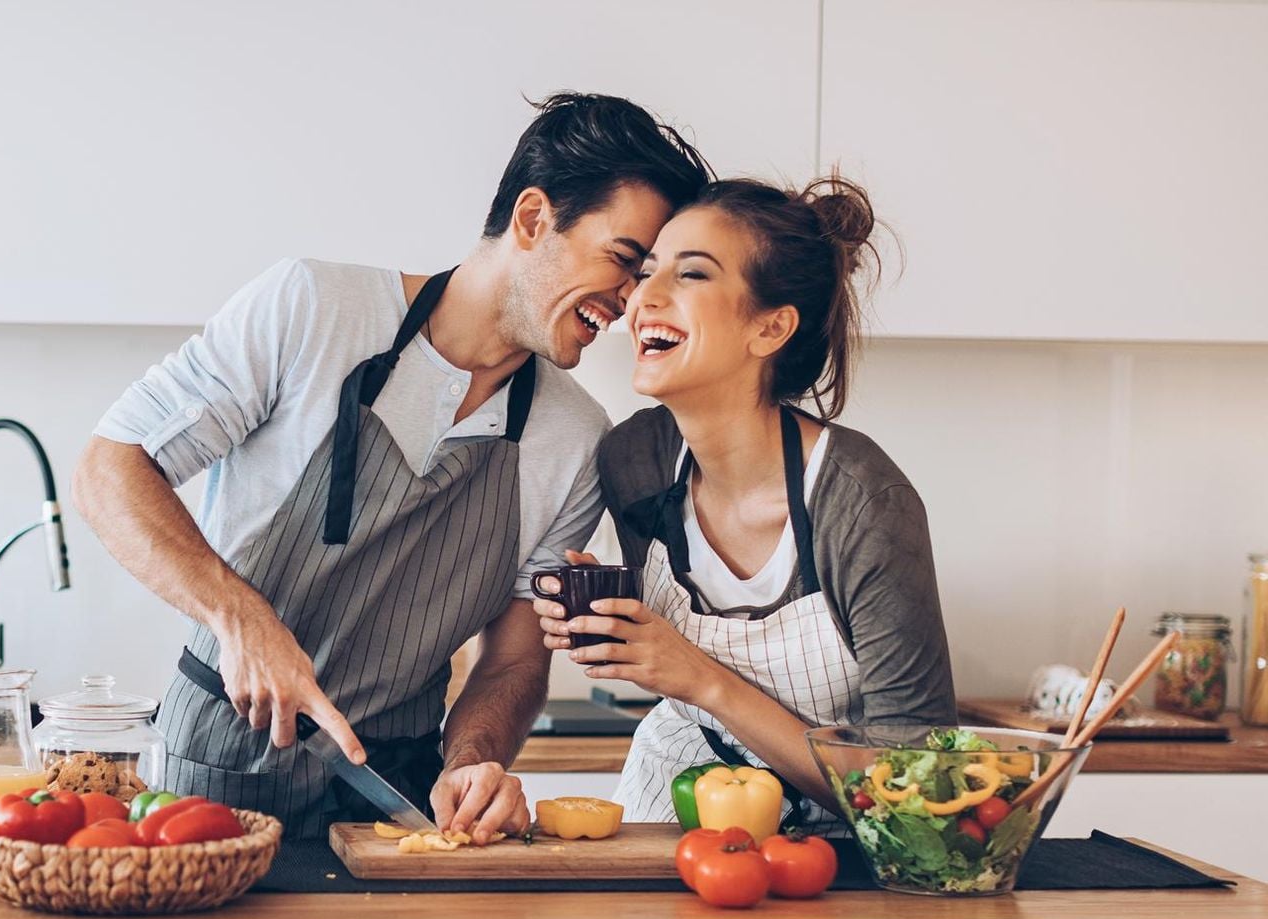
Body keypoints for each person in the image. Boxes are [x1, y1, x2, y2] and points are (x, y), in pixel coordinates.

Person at [76, 93, 711, 841]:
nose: (636, 301)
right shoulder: (313, 310)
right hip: (217, 770)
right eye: (625, 261)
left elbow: (511, 660)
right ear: (534, 218)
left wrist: (473, 763)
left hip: (394, 794)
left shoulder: (574, 438)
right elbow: (110, 466)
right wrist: (238, 616)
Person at [533, 175, 954, 832]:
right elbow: (666, 655)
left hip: (843, 844)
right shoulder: (634, 460)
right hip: (673, 801)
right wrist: (611, 627)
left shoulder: (863, 503)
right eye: (646, 273)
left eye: (691, 275)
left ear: (770, 327)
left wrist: (697, 676)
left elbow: (916, 790)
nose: (645, 297)